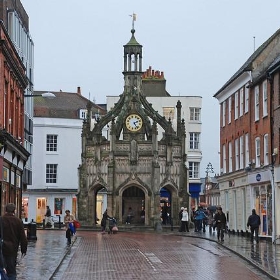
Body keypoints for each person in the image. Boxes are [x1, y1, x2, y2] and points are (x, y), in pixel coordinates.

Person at [1, 203, 27, 279]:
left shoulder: (1, 219)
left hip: (2, 248)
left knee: (2, 269)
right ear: (14, 211)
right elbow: (23, 237)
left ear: (5, 210)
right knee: (11, 271)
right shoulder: (18, 221)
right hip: (12, 249)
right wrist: (23, 250)